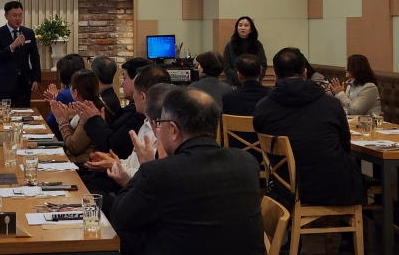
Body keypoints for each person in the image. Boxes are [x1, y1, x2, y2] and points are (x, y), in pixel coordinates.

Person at [111, 87, 264, 255]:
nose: (158, 130)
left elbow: (120, 218)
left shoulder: (160, 172)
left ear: (174, 130)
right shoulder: (247, 162)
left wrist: (145, 165)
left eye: (161, 123)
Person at [253, 48, 364, 207]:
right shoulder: (331, 104)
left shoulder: (263, 107)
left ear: (275, 75)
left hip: (286, 188)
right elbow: (345, 146)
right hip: (335, 186)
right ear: (305, 73)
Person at [82, 65, 172, 215]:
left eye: (124, 78)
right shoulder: (145, 123)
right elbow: (131, 162)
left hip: (138, 197)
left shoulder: (159, 132)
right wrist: (115, 162)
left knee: (91, 196)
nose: (122, 84)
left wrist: (114, 164)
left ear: (143, 97)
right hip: (130, 188)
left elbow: (145, 177)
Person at [76, 57, 151, 159]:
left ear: (137, 81)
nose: (122, 84)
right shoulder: (133, 108)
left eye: (124, 78)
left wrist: (95, 120)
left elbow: (114, 146)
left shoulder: (140, 114)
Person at [50, 69, 112, 163]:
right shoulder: (92, 106)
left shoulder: (88, 113)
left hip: (82, 165)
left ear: (76, 92)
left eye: (71, 86)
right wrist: (70, 117)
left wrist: (62, 121)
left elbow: (73, 148)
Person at [0, 1, 41, 107]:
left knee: (23, 114)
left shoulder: (28, 33)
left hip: (24, 83)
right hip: (4, 84)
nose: (18, 18)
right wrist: (12, 46)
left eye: (20, 15)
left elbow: (35, 57)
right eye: (14, 15)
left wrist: (36, 79)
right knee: (4, 114)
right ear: (6, 16)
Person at [43, 54, 86, 140]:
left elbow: (50, 123)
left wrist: (55, 103)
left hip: (62, 139)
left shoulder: (64, 95)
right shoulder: (84, 89)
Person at [223, 16, 267, 87]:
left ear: (251, 29)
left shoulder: (257, 45)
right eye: (240, 25)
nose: (243, 28)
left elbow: (263, 64)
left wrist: (255, 79)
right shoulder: (230, 45)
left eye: (246, 25)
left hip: (254, 82)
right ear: (237, 28)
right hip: (234, 84)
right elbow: (226, 66)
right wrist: (240, 78)